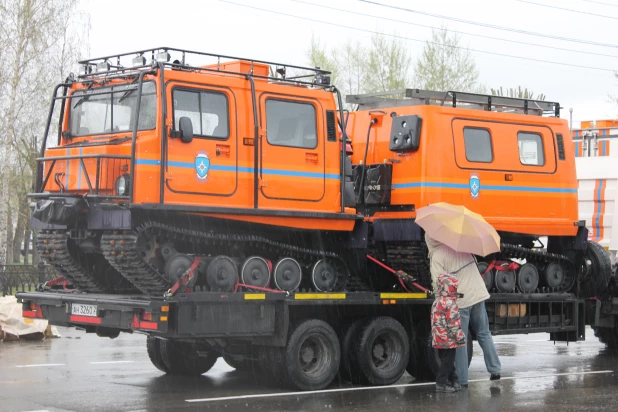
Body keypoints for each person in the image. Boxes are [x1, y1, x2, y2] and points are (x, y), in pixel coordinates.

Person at [426, 233, 501, 387]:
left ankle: (462, 380)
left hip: (461, 300)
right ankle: (495, 369)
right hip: (478, 295)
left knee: (461, 341)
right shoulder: (461, 248)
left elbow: (438, 283)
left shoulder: (437, 256)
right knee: (484, 333)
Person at [431, 272, 466, 392]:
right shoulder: (450, 304)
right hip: (448, 338)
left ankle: (454, 380)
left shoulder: (437, 301)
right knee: (448, 362)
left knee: (447, 360)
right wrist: (460, 338)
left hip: (438, 337)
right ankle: (441, 384)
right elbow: (454, 324)